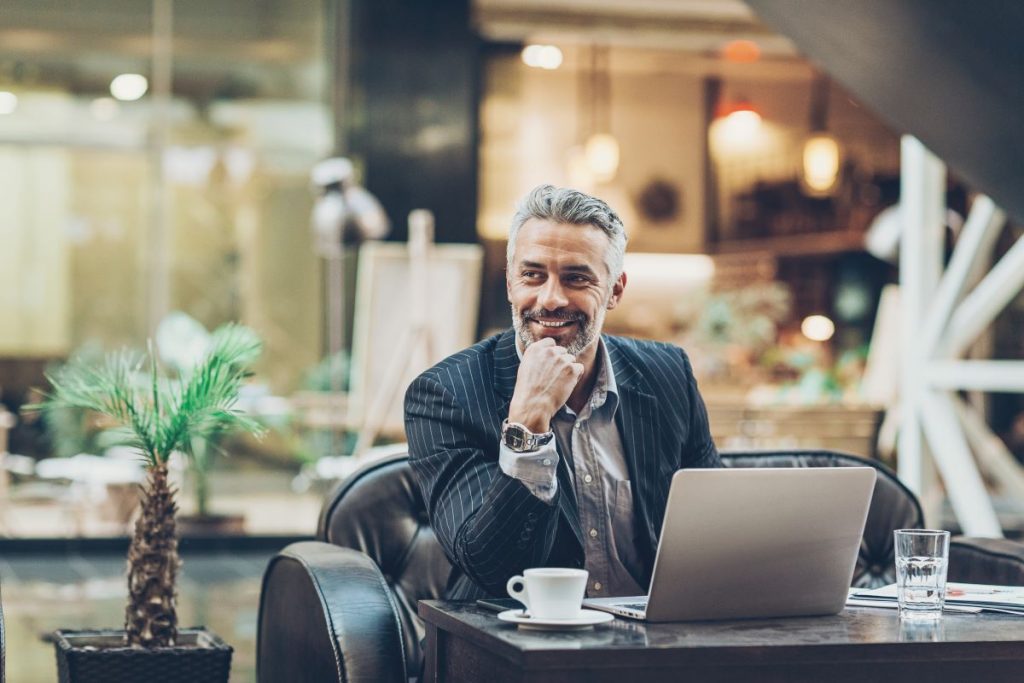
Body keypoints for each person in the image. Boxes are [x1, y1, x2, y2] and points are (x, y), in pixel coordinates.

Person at [405, 184, 720, 600]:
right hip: (513, 643)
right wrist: (527, 426)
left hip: (653, 645)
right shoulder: (446, 394)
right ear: (510, 282)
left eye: (576, 278)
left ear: (615, 291)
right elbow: (491, 567)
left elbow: (714, 528)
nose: (551, 299)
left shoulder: (668, 373)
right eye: (533, 275)